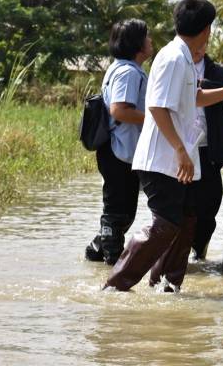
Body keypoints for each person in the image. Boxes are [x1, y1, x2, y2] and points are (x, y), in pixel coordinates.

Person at [104, 0, 223, 292]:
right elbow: (157, 107)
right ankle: (116, 286)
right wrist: (180, 150)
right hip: (161, 159)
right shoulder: (173, 58)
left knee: (188, 219)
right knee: (164, 225)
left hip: (178, 158)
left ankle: (166, 286)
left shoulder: (185, 57)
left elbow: (195, 98)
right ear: (206, 30)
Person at [85, 19, 152, 265]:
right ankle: (112, 266)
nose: (151, 41)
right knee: (117, 212)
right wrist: (155, 120)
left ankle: (95, 250)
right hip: (118, 150)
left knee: (123, 212)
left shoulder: (123, 67)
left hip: (119, 149)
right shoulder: (127, 72)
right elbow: (119, 110)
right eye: (147, 37)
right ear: (137, 44)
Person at [190, 52, 223, 261]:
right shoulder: (175, 64)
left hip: (208, 149)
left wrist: (205, 85)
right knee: (180, 204)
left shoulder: (218, 71)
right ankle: (179, 253)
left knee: (209, 205)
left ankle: (199, 249)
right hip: (179, 147)